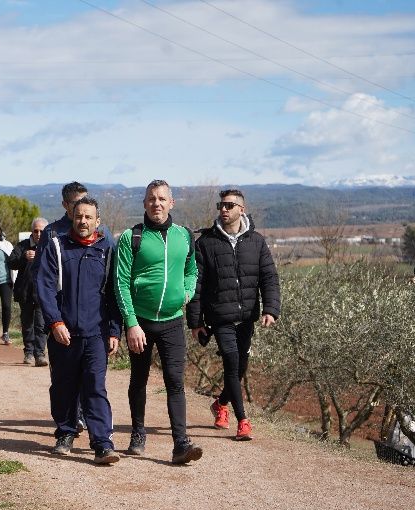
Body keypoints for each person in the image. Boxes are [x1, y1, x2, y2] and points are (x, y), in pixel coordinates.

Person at [114, 179, 202, 464]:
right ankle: (138, 434)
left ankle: (180, 444)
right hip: (141, 321)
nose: (157, 203)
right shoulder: (131, 237)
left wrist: (187, 291)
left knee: (175, 381)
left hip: (173, 321)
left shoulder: (184, 235)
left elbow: (192, 270)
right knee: (138, 379)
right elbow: (121, 283)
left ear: (171, 203)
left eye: (162, 199)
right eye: (152, 199)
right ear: (144, 203)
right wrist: (130, 323)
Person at [186, 188, 281, 441]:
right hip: (220, 317)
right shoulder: (205, 243)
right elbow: (196, 285)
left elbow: (269, 277)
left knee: (239, 368)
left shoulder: (257, 241)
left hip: (247, 316)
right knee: (230, 359)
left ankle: (220, 404)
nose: (223, 209)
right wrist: (196, 321)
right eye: (221, 205)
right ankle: (243, 421)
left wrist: (271, 309)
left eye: (229, 205)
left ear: (242, 209)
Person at [36, 196, 122, 464]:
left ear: (98, 221)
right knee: (63, 386)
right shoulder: (56, 247)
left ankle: (102, 443)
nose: (82, 221)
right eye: (78, 216)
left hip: (96, 333)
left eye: (88, 217)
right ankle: (65, 433)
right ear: (71, 218)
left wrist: (114, 331)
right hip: (64, 333)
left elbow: (114, 293)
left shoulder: (108, 249)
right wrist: (55, 322)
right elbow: (45, 287)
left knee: (95, 387)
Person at [8, 217, 49, 366]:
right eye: (36, 231)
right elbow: (11, 263)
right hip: (25, 292)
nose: (38, 234)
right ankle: (29, 353)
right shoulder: (22, 246)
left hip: (43, 293)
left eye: (41, 231)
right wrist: (24, 258)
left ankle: (40, 354)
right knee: (27, 324)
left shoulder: (50, 246)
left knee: (41, 325)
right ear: (32, 231)